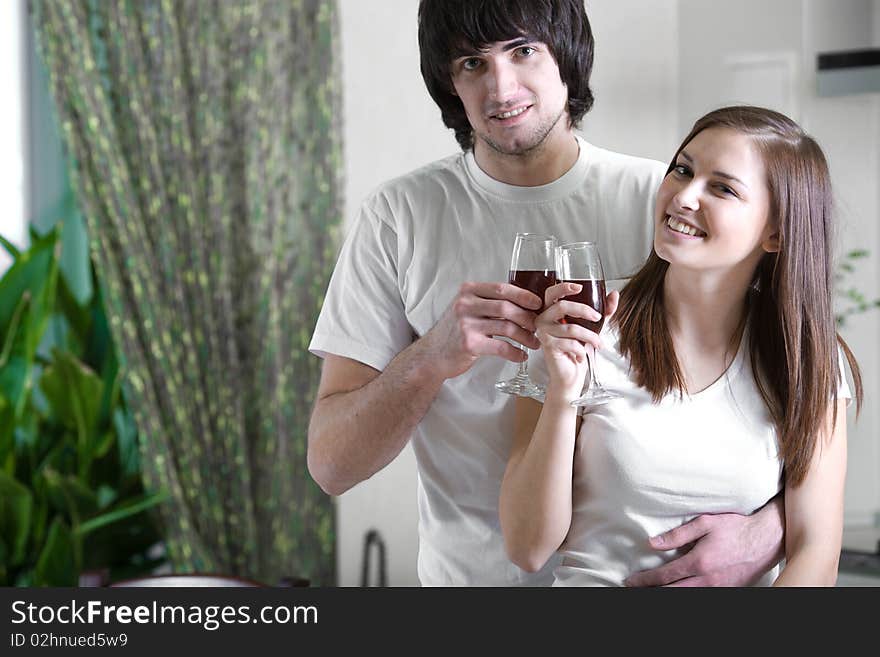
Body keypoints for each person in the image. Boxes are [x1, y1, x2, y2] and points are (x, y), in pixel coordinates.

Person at [308, 0, 785, 586]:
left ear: (568, 54)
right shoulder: (399, 216)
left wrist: (776, 528)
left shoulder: (662, 203)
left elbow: (786, 383)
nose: (501, 88)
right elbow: (331, 465)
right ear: (449, 85)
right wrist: (432, 357)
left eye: (523, 50)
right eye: (470, 64)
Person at [499, 105, 863, 586]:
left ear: (775, 232)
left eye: (723, 187)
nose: (684, 196)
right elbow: (527, 547)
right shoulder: (581, 327)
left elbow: (815, 553)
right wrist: (565, 390)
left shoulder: (809, 360)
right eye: (683, 170)